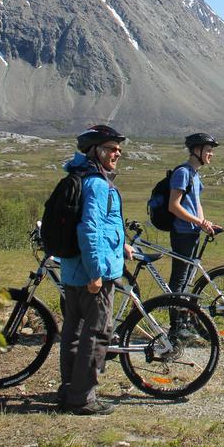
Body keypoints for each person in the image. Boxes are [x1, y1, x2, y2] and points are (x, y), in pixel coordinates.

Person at [57, 125, 134, 415]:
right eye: (111, 148)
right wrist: (96, 272)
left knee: (73, 333)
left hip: (73, 270)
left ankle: (69, 391)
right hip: (93, 273)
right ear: (95, 151)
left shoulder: (77, 177)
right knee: (97, 332)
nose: (117, 153)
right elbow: (89, 229)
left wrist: (122, 244)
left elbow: (103, 226)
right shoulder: (98, 184)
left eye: (118, 149)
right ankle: (83, 398)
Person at [167, 132, 222, 339]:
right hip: (182, 233)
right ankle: (175, 327)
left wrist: (204, 223)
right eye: (208, 151)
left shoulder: (195, 174)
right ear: (196, 151)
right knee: (179, 280)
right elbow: (174, 206)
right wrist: (198, 222)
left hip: (192, 232)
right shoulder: (182, 172)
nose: (211, 155)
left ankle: (184, 322)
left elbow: (196, 204)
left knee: (187, 279)